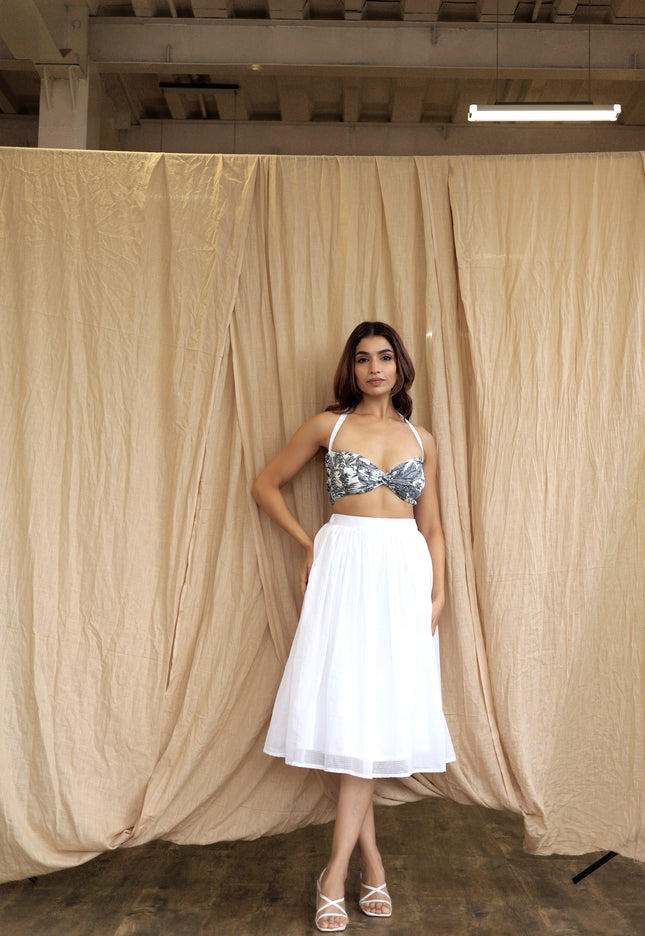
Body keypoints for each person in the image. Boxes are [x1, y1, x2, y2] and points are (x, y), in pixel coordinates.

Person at [252, 321, 455, 932]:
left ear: (400, 367)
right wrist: (306, 543)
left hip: (402, 576)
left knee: (371, 721)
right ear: (353, 368)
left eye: (385, 357)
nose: (374, 368)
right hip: (344, 567)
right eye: (364, 359)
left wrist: (439, 592)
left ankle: (354, 867)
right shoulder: (328, 426)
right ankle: (348, 870)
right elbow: (264, 485)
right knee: (351, 713)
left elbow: (433, 526)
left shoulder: (423, 439)